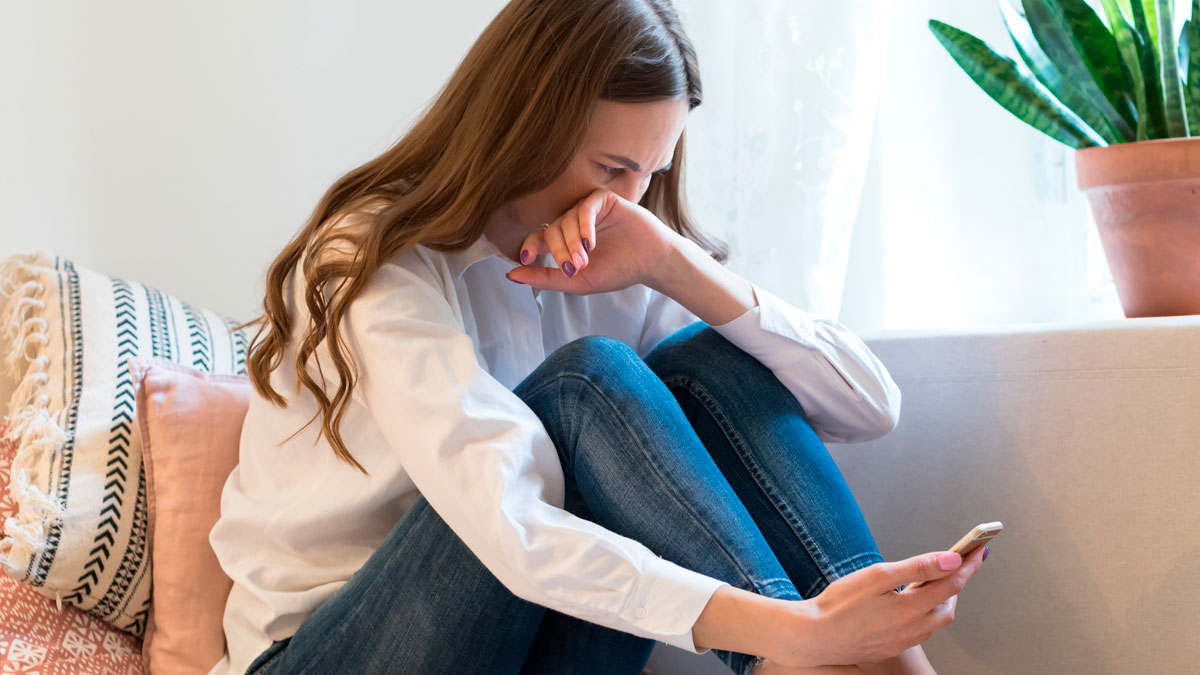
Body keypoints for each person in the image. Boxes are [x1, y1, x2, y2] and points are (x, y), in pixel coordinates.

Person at [208, 1, 988, 674]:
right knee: (583, 384)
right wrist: (792, 628)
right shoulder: (374, 257)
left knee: (708, 359)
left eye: (649, 172)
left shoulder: (620, 249)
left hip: (524, 636)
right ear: (524, 126)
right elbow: (509, 521)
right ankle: (798, 660)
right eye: (612, 167)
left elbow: (870, 409)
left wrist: (676, 265)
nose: (627, 200)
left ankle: (887, 658)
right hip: (330, 649)